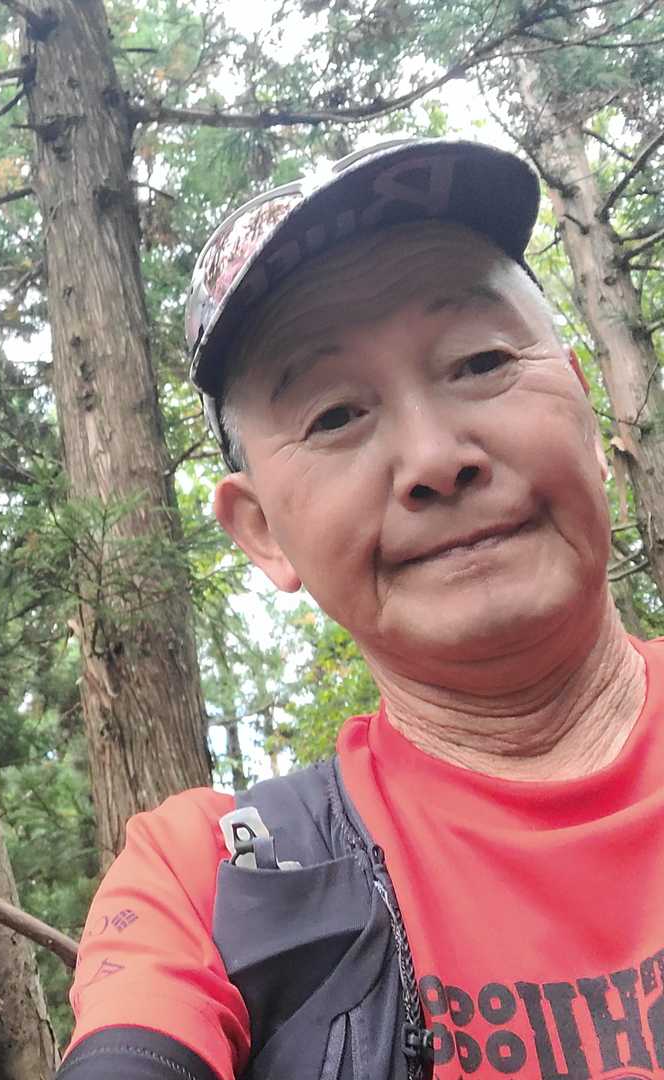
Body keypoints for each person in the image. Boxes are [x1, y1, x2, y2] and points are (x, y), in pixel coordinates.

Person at [59, 138, 664, 1080]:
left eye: (480, 361)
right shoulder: (210, 885)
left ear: (588, 413)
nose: (435, 459)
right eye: (336, 415)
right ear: (262, 531)